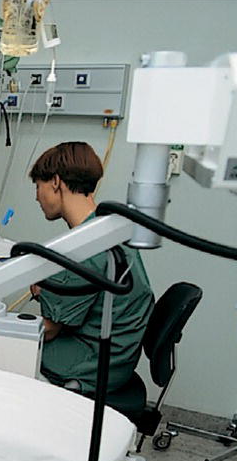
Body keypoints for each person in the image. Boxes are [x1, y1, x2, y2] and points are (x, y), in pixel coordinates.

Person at [28, 141, 154, 394]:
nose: (36, 196)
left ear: (55, 182)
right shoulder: (107, 226)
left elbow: (49, 330)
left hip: (90, 364)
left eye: (38, 186)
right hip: (117, 358)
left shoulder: (82, 248)